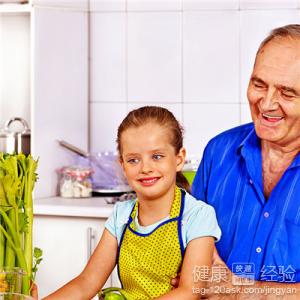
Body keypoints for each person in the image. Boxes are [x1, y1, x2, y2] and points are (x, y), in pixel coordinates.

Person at [42, 106, 221, 300]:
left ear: (179, 159)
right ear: (122, 166)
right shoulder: (122, 215)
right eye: (133, 160)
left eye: (157, 156)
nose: (145, 168)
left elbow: (189, 292)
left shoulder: (198, 216)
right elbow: (86, 283)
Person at [190, 24, 300, 294]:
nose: (266, 103)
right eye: (258, 84)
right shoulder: (218, 152)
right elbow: (186, 245)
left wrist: (242, 292)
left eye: (287, 93)